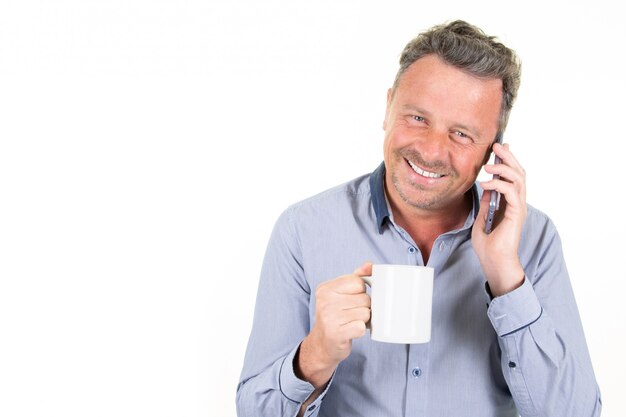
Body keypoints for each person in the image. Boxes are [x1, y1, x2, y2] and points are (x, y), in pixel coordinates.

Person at [236, 20, 602, 417]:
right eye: (417, 118)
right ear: (388, 107)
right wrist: (315, 356)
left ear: (493, 151)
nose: (430, 150)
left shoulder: (533, 239)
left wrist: (506, 278)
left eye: (462, 134)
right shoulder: (303, 230)